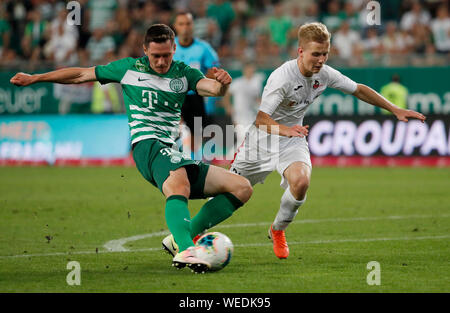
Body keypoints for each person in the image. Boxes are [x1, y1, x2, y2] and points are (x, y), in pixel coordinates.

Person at [10, 24, 253, 273]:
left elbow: (211, 89)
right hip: (147, 145)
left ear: (174, 49)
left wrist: (222, 84)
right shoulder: (128, 69)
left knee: (241, 187)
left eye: (166, 55)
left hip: (173, 150)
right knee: (178, 183)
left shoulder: (185, 73)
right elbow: (81, 75)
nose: (161, 62)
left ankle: (182, 235)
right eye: (155, 55)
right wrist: (36, 78)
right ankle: (186, 249)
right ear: (145, 50)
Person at [230, 22, 426, 259]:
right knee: (228, 192)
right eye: (316, 54)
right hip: (263, 139)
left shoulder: (325, 73)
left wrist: (394, 109)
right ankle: (189, 234)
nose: (321, 60)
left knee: (301, 182)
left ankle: (278, 230)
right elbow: (261, 120)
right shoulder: (282, 77)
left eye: (325, 54)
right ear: (300, 52)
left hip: (292, 138)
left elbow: (358, 89)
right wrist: (285, 129)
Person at [172, 11, 220, 160]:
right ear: (175, 26)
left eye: (188, 23)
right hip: (173, 97)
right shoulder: (168, 47)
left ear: (192, 26)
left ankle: (194, 165)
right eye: (181, 24)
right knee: (174, 135)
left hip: (195, 98)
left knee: (194, 138)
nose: (185, 27)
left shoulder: (203, 48)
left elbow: (215, 73)